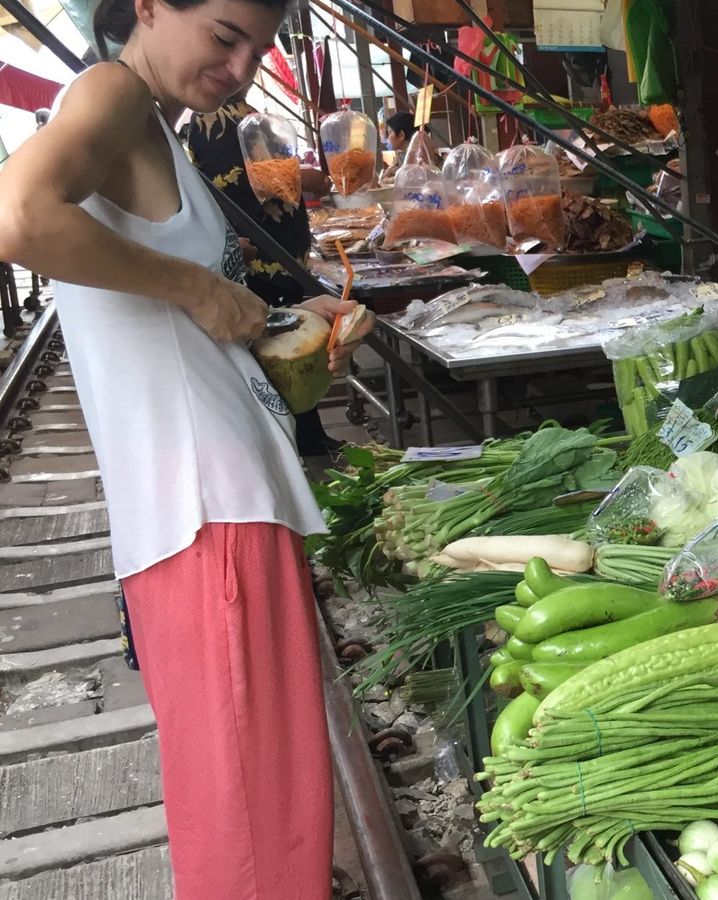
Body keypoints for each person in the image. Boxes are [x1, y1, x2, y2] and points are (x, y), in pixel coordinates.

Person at [0, 0, 373, 896]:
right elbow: (18, 217)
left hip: (201, 509)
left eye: (260, 46)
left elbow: (170, 324)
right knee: (255, 820)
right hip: (207, 512)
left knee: (241, 802)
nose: (243, 69)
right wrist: (199, 291)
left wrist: (283, 321)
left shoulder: (155, 128)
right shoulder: (111, 93)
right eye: (224, 36)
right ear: (150, 7)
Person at [184, 90, 341, 457]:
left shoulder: (240, 114)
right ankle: (292, 441)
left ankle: (307, 433)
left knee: (292, 343)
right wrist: (306, 176)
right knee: (277, 347)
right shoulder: (214, 120)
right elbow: (243, 183)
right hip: (261, 261)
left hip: (279, 255)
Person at [382, 109, 436, 180]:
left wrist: (393, 179)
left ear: (401, 135)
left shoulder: (420, 155)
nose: (388, 137)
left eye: (390, 132)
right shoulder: (400, 155)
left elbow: (418, 178)